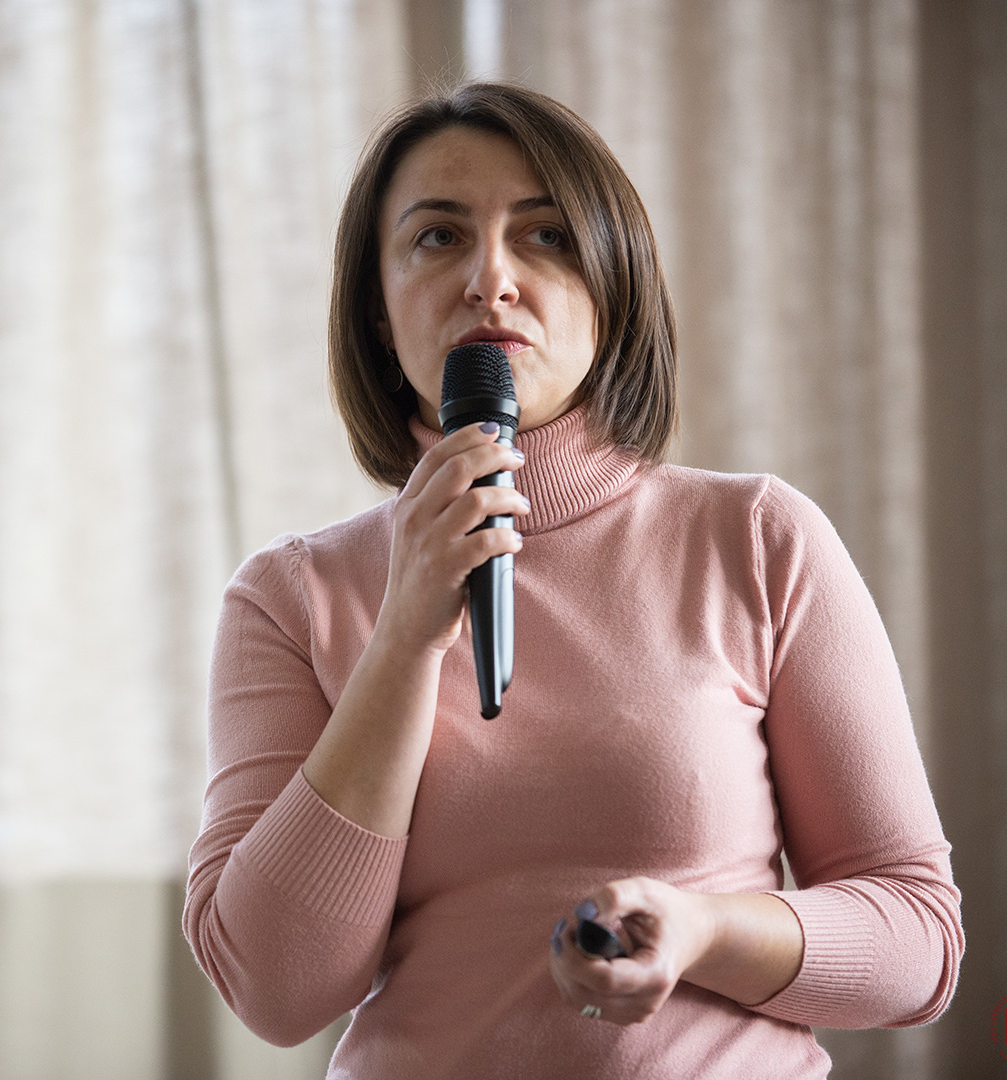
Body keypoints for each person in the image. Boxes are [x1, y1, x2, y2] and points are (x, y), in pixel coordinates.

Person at [181, 82, 963, 1079]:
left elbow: (917, 941)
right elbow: (275, 991)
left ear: (611, 286)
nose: (491, 280)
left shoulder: (757, 539)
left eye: (545, 236)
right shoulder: (290, 598)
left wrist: (704, 931)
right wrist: (404, 638)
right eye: (437, 238)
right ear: (376, 309)